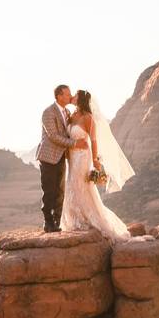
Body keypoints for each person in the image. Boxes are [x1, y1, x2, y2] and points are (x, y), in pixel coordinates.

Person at [58, 89, 133, 239]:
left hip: (83, 157)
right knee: (71, 185)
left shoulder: (88, 118)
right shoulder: (71, 116)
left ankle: (86, 219)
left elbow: (93, 140)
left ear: (80, 100)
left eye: (75, 96)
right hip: (72, 157)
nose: (72, 97)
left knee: (80, 185)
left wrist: (95, 160)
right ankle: (74, 219)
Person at [36, 84, 88, 233]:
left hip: (62, 157)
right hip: (48, 157)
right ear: (59, 96)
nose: (70, 96)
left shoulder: (67, 112)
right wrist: (75, 143)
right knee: (49, 190)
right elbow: (53, 136)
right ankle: (48, 223)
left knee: (60, 190)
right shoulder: (48, 112)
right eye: (67, 94)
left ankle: (57, 221)